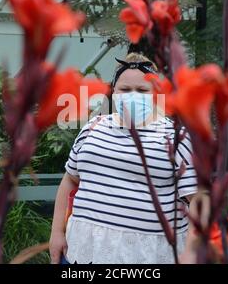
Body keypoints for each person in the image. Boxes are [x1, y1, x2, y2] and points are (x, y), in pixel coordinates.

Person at [49, 52, 203, 264]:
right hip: (82, 252)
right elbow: (70, 179)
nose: (133, 95)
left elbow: (199, 200)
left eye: (142, 90)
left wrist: (191, 253)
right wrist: (56, 233)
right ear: (113, 91)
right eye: (125, 89)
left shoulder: (176, 137)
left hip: (147, 257)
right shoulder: (92, 128)